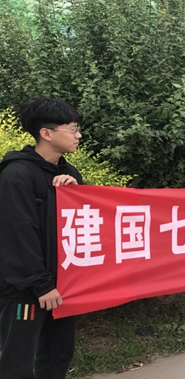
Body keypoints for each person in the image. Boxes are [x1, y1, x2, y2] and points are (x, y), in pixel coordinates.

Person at [0, 96, 84, 378]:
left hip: (64, 285)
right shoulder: (16, 175)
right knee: (19, 360)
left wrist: (76, 192)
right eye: (72, 129)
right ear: (46, 133)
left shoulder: (69, 173)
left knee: (58, 353)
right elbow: (16, 234)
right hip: (27, 290)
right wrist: (40, 284)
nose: (78, 136)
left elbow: (86, 222)